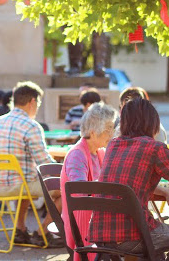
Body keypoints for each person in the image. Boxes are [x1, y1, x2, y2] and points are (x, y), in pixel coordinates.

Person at [88, 98, 169, 261]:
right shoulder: (154, 147)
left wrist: (166, 192)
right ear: (152, 123)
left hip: (100, 233)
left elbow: (128, 184)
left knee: (155, 251)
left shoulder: (113, 145)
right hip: (132, 234)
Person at [0, 81, 62, 247]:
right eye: (38, 103)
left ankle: (20, 230)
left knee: (28, 177)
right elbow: (44, 163)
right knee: (66, 189)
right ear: (32, 102)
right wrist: (65, 169)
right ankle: (43, 233)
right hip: (16, 185)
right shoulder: (31, 126)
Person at [60, 102, 118, 260]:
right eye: (108, 130)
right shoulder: (77, 154)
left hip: (96, 215)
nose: (111, 134)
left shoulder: (99, 152)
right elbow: (79, 189)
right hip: (81, 221)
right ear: (93, 132)